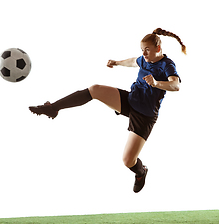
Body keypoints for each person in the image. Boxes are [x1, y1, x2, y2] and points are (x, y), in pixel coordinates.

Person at [29, 28, 186, 193]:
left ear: (158, 49)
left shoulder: (167, 65)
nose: (144, 53)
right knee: (95, 89)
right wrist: (117, 62)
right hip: (130, 100)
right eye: (142, 50)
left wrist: (156, 83)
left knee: (127, 160)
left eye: (147, 49)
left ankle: (141, 171)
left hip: (145, 115)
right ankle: (53, 108)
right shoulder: (144, 60)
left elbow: (176, 85)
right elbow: (134, 61)